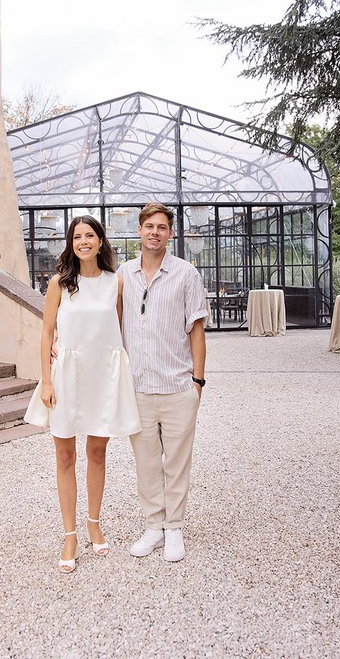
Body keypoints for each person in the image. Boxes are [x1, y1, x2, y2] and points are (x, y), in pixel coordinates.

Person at [23, 215, 141, 574]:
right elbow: (46, 334)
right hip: (67, 376)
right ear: (71, 243)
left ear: (101, 241)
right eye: (77, 237)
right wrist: (46, 381)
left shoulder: (115, 283)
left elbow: (120, 329)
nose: (84, 242)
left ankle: (93, 522)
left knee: (98, 452)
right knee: (65, 456)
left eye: (90, 235)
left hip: (102, 376)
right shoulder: (59, 283)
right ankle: (70, 535)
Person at [118, 203, 208, 562]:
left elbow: (197, 330)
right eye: (149, 226)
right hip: (137, 388)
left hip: (177, 386)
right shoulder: (123, 275)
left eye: (162, 227)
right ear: (139, 230)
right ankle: (153, 526)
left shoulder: (186, 274)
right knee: (146, 463)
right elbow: (108, 322)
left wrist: (197, 382)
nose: (154, 232)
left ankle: (174, 528)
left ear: (170, 233)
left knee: (177, 463)